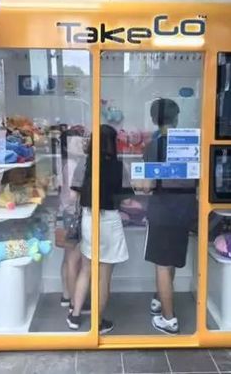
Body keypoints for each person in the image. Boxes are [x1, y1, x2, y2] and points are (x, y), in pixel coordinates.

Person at [137, 98, 197, 335]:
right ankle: (158, 299)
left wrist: (138, 183)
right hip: (185, 209)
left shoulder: (154, 146)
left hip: (163, 210)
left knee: (162, 265)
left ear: (154, 119)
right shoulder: (190, 143)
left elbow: (147, 184)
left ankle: (168, 319)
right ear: (177, 118)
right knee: (171, 260)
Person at [67, 124, 129, 334]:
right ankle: (98, 323)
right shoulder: (118, 167)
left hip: (88, 219)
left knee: (86, 269)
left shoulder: (84, 163)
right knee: (103, 277)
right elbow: (126, 199)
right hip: (109, 221)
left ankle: (75, 316)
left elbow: (73, 196)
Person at [57, 128, 89, 314]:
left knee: (68, 257)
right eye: (75, 143)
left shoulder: (67, 163)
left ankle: (66, 295)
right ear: (66, 146)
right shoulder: (72, 165)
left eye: (81, 141)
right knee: (73, 260)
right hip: (73, 215)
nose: (81, 145)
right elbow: (71, 195)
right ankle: (74, 303)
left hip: (66, 214)